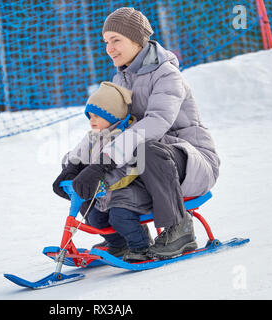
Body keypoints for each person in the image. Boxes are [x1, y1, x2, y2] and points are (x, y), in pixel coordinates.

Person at [69, 7, 220, 260]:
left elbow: (156, 123)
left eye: (116, 40)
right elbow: (106, 128)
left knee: (145, 149)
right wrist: (76, 164)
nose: (109, 48)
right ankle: (123, 239)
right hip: (145, 161)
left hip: (190, 162)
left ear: (137, 40)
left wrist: (106, 159)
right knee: (93, 167)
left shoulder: (167, 74)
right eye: (106, 42)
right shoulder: (121, 79)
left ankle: (179, 227)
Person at [53, 81, 153, 262]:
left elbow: (130, 170)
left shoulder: (128, 136)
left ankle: (142, 246)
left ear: (113, 115)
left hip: (129, 192)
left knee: (120, 217)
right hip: (106, 194)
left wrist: (102, 182)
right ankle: (118, 244)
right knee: (95, 218)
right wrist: (68, 171)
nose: (91, 121)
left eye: (96, 116)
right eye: (89, 116)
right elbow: (76, 154)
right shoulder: (94, 135)